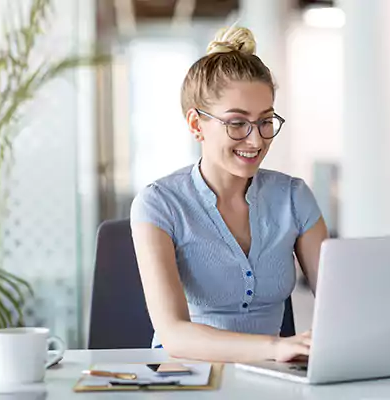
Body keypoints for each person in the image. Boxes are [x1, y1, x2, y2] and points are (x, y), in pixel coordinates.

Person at [129, 26, 328, 364]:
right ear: (196, 124)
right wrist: (275, 348)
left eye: (266, 121)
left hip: (271, 378)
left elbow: (341, 306)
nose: (256, 140)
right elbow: (174, 333)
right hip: (186, 376)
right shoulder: (159, 203)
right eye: (237, 123)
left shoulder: (294, 197)